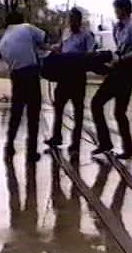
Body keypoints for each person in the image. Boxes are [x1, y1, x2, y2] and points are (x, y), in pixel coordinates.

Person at [90, 0, 132, 159]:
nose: (115, 11)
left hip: (128, 72)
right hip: (118, 70)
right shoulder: (117, 27)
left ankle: (127, 150)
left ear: (124, 9)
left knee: (119, 112)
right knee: (97, 103)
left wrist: (122, 59)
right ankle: (105, 143)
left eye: (117, 8)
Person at [0, 11, 52, 162]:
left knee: (16, 113)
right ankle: (32, 151)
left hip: (16, 76)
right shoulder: (27, 28)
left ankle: (9, 146)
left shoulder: (3, 41)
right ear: (20, 21)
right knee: (33, 114)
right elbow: (44, 39)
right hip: (30, 74)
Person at [44, 8, 95, 154]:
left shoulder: (87, 35)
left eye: (74, 19)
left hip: (77, 76)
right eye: (70, 19)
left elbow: (90, 54)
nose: (71, 22)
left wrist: (76, 57)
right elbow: (61, 47)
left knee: (78, 111)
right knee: (58, 106)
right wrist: (53, 51)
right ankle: (56, 137)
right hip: (63, 76)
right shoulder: (66, 32)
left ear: (79, 21)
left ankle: (75, 144)